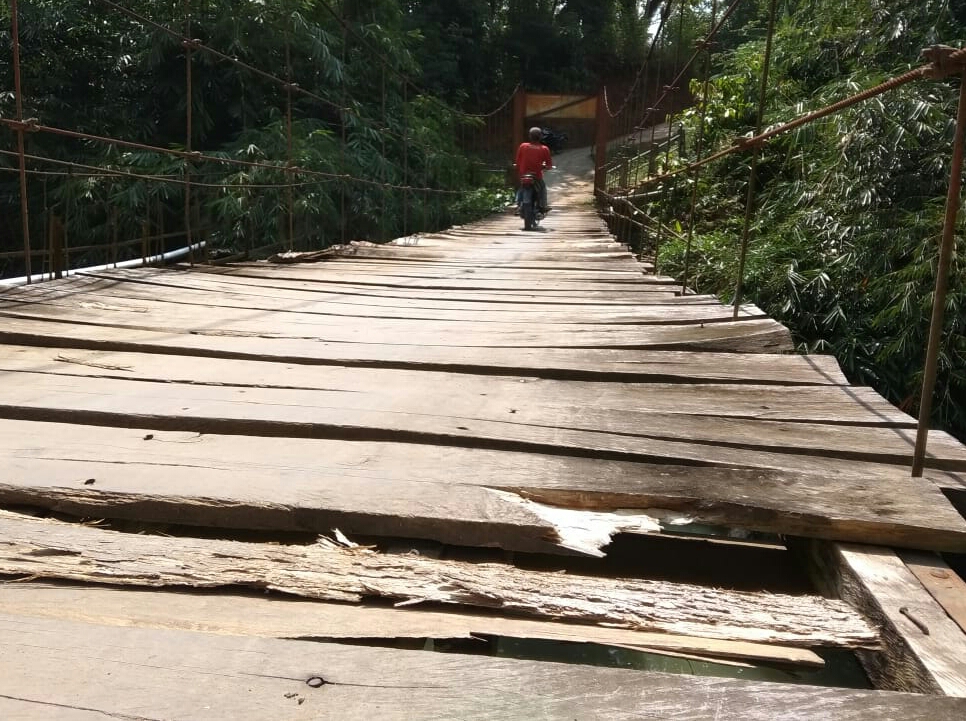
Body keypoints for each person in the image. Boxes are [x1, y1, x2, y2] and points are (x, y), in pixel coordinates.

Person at [514, 126, 553, 212]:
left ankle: (517, 204)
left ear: (530, 136)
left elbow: (518, 160)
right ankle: (543, 205)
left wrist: (518, 166)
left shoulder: (523, 146)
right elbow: (549, 164)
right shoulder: (544, 149)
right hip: (536, 175)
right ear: (541, 137)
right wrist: (547, 167)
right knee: (542, 188)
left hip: (524, 174)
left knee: (521, 187)